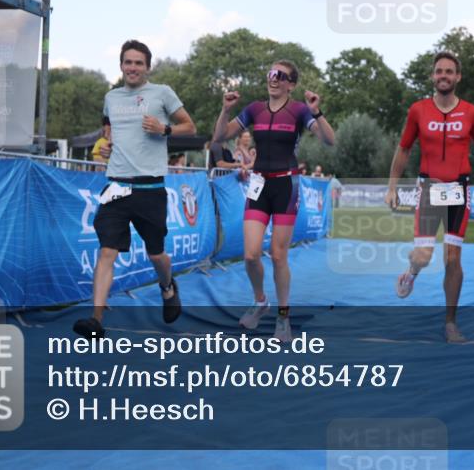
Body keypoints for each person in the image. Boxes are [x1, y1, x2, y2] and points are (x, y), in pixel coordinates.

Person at [73, 40, 197, 339]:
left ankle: (167, 286)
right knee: (107, 252)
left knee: (157, 255)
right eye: (128, 62)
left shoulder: (162, 93)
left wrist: (164, 129)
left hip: (150, 188)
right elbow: (109, 131)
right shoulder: (111, 98)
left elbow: (189, 126)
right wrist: (108, 148)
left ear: (147, 67)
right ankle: (96, 320)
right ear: (121, 65)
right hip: (115, 186)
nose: (133, 68)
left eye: (138, 63)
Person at [212, 60, 335, 342]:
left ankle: (283, 317)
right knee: (250, 254)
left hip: (286, 186)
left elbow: (329, 140)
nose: (274, 79)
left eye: (280, 76)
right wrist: (225, 110)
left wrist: (318, 111)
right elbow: (220, 136)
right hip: (259, 186)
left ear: (291, 84)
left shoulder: (299, 110)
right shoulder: (254, 109)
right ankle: (260, 301)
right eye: (270, 74)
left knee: (279, 255)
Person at [384, 51, 474, 343]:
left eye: (449, 71)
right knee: (423, 255)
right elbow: (404, 149)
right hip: (429, 189)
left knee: (452, 257)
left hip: (459, 190)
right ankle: (412, 269)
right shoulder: (418, 110)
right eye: (439, 71)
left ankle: (450, 322)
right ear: (433, 76)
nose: (444, 76)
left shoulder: (471, 112)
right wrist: (392, 186)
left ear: (457, 77)